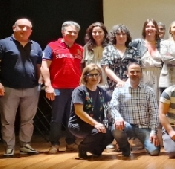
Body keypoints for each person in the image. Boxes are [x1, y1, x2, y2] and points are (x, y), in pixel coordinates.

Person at [0, 18, 42, 156]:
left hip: (31, 88)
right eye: (21, 27)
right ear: (14, 28)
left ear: (31, 31)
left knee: (28, 120)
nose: (24, 30)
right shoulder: (3, 43)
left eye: (27, 28)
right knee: (7, 120)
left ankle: (25, 145)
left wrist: (41, 82)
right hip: (9, 88)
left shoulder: (35, 45)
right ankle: (9, 147)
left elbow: (39, 66)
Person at [41, 21, 84, 154]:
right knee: (57, 118)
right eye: (69, 31)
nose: (72, 34)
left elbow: (83, 69)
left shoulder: (80, 49)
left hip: (76, 89)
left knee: (72, 118)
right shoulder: (52, 46)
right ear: (63, 32)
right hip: (58, 88)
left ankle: (70, 143)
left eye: (75, 32)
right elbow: (44, 66)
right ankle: (54, 144)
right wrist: (48, 85)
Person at [109, 62, 160, 157]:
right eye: (132, 72)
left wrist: (153, 131)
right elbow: (113, 107)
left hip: (144, 127)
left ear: (141, 73)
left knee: (154, 151)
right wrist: (118, 118)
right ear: (127, 73)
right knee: (116, 128)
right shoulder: (119, 90)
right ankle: (124, 147)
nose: (135, 74)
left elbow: (154, 113)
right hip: (126, 126)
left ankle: (147, 143)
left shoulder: (149, 91)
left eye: (137, 72)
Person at [67, 64, 112, 159]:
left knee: (110, 133)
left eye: (97, 74)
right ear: (85, 77)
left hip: (94, 123)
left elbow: (112, 103)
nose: (94, 77)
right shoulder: (79, 91)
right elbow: (79, 112)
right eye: (91, 75)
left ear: (100, 76)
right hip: (78, 124)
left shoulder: (102, 91)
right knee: (98, 132)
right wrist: (96, 124)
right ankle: (83, 147)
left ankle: (94, 149)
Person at [101, 24, 141, 92]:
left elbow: (137, 69)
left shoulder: (133, 50)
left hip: (129, 85)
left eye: (123, 34)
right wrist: (119, 81)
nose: (121, 36)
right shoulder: (108, 49)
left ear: (127, 36)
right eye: (118, 34)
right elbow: (106, 68)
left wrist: (126, 83)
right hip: (112, 86)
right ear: (114, 36)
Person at [130, 19, 163, 99]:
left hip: (160, 77)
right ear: (144, 29)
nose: (150, 28)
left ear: (156, 30)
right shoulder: (137, 43)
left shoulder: (163, 43)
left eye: (153, 26)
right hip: (143, 76)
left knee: (158, 101)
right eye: (147, 26)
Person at [82, 22, 109, 89]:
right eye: (94, 32)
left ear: (104, 33)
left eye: (100, 32)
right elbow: (83, 66)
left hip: (107, 83)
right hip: (91, 84)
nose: (97, 34)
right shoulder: (86, 48)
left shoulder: (110, 47)